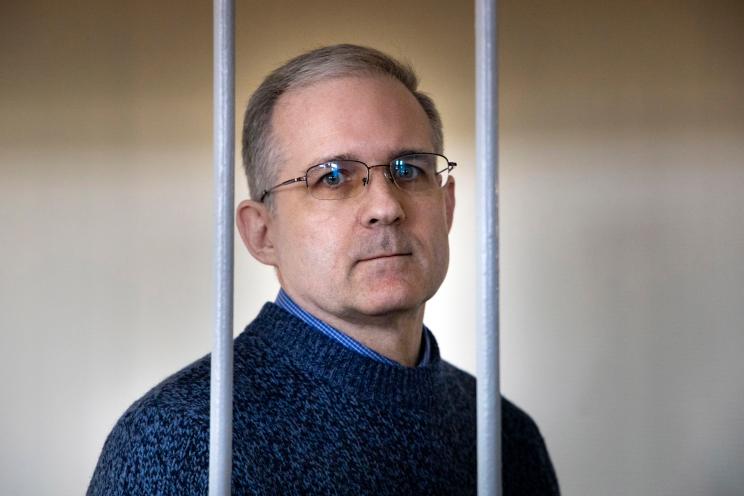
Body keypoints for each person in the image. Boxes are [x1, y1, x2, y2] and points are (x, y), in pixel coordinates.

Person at [88, 44, 559, 495]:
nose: (385, 206)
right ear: (262, 233)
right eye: (333, 176)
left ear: (448, 206)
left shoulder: (504, 435)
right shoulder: (189, 437)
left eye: (409, 169)